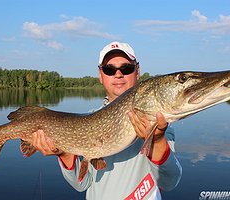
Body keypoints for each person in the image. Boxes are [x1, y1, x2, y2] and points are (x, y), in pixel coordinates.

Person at [32, 41, 182, 200]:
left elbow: (169, 182)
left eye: (126, 68)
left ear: (137, 72)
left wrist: (157, 141)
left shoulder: (159, 123)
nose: (118, 74)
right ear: (100, 75)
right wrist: (63, 153)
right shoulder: (90, 121)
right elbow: (81, 184)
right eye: (109, 69)